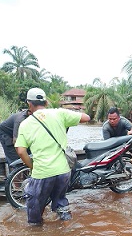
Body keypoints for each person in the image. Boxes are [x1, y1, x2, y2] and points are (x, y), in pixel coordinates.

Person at [15, 87, 91, 224]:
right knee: (61, 202)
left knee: (34, 211)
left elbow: (21, 151)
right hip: (63, 171)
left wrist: (32, 166)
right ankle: (66, 230)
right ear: (46, 102)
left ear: (29, 104)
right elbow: (86, 117)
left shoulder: (25, 124)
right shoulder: (60, 114)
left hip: (42, 173)